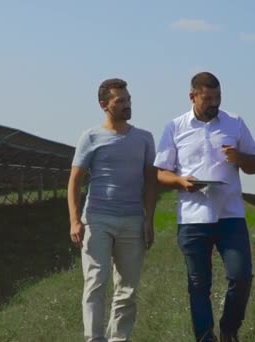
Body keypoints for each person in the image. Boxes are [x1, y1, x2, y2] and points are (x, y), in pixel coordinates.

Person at [154, 72, 255, 342]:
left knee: (241, 276)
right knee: (198, 285)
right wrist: (180, 181)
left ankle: (229, 329)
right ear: (192, 96)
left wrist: (239, 158)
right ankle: (205, 337)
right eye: (208, 98)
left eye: (218, 97)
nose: (214, 103)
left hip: (230, 216)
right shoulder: (175, 127)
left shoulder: (235, 123)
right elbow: (160, 173)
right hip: (193, 218)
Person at [67, 78, 157, 342]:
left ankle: (119, 338)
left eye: (128, 99)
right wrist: (74, 220)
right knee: (96, 282)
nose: (127, 104)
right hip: (97, 219)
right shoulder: (91, 137)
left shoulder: (144, 138)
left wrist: (148, 219)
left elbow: (151, 182)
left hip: (132, 219)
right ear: (104, 105)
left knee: (127, 288)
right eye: (121, 101)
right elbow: (74, 180)